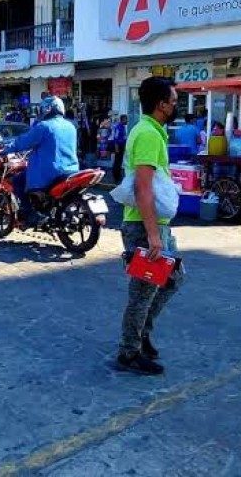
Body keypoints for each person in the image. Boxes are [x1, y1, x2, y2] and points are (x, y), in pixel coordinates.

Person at [116, 77, 185, 375]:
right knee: (143, 292)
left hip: (156, 225)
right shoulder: (147, 134)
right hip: (144, 226)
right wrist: (154, 235)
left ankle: (141, 333)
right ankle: (129, 352)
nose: (175, 105)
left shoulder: (152, 131)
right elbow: (144, 187)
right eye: (173, 100)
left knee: (173, 279)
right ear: (160, 104)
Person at [0, 96, 79, 226]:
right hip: (71, 169)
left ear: (47, 109)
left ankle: (30, 214)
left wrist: (6, 149)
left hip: (49, 172)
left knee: (18, 181)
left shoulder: (43, 126)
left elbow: (24, 141)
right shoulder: (71, 126)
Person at [112, 115, 129, 184]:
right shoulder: (118, 127)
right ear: (123, 120)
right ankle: (116, 177)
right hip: (118, 146)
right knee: (117, 162)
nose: (127, 121)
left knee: (119, 162)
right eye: (126, 120)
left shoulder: (123, 127)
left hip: (121, 146)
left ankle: (118, 176)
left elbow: (124, 138)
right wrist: (116, 148)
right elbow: (116, 138)